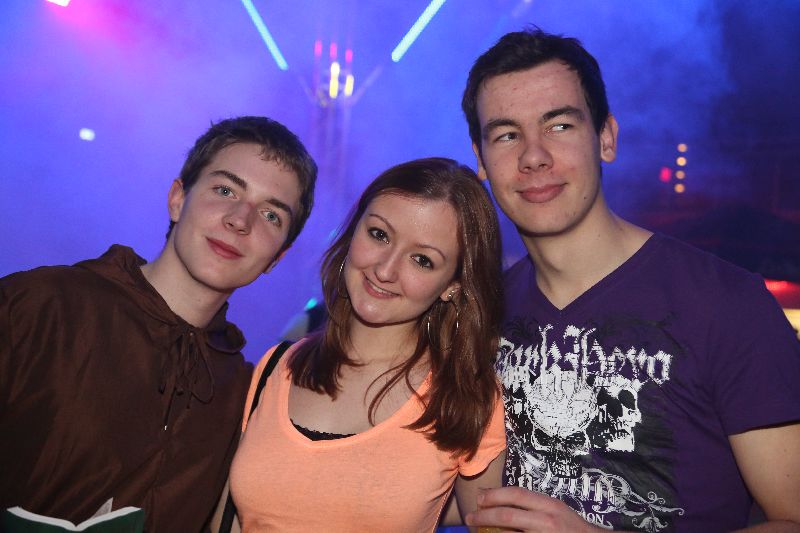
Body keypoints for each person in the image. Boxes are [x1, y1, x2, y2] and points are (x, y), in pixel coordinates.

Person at [460, 28, 800, 532]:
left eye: (559, 125)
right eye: (507, 135)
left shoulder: (727, 303)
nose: (533, 156)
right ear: (481, 160)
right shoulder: (484, 317)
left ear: (606, 138)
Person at [0, 116, 318, 532]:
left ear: (277, 257)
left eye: (271, 215)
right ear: (177, 198)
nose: (240, 219)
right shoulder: (41, 307)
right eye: (225, 190)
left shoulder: (242, 394)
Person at [223, 157, 507, 532]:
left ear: (452, 286)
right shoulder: (277, 366)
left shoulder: (465, 398)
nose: (385, 270)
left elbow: (488, 522)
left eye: (422, 260)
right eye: (379, 235)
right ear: (354, 231)